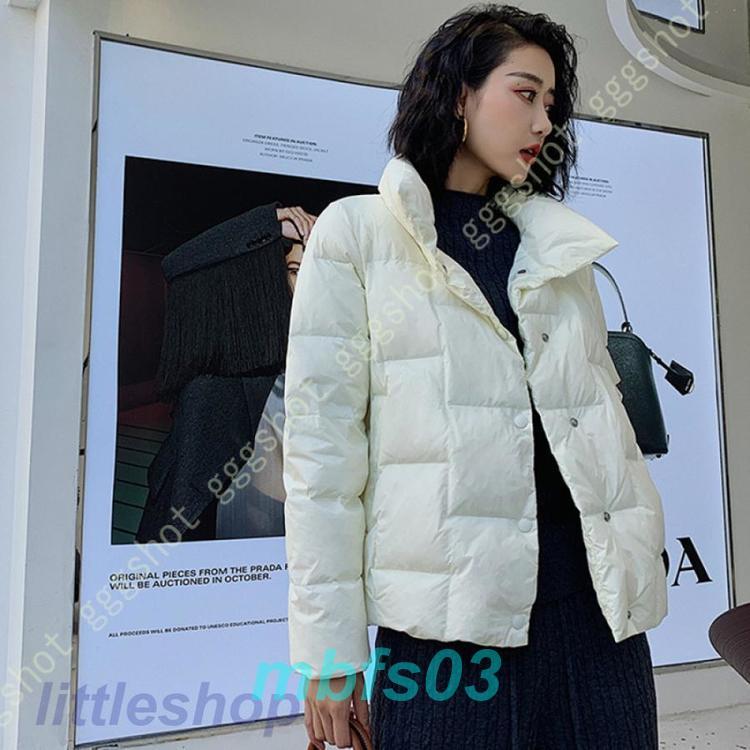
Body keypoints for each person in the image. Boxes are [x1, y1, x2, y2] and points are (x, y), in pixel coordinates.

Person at [282, 4, 668, 748]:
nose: (544, 121)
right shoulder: (358, 236)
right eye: (525, 94)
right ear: (459, 94)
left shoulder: (559, 252)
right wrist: (329, 656)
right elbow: (321, 458)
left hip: (599, 622)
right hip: (446, 635)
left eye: (551, 104)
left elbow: (598, 422)